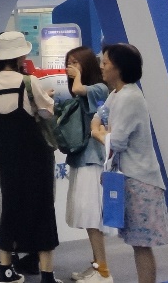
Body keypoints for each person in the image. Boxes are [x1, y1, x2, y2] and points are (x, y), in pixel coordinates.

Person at [91, 44, 168, 283]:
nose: (102, 67)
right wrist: (101, 131)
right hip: (128, 178)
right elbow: (98, 118)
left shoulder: (129, 97)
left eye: (105, 62)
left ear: (119, 67)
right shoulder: (117, 94)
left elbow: (116, 141)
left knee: (142, 244)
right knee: (137, 243)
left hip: (140, 180)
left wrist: (99, 133)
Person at [0, 31, 60, 283]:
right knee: (42, 209)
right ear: (20, 55)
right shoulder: (29, 82)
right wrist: (48, 98)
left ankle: (6, 269)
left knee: (10, 207)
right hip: (34, 155)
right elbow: (47, 112)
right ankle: (47, 274)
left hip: (6, 155)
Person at [58, 47, 111, 283]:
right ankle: (98, 265)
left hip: (93, 160)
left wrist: (77, 76)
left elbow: (80, 89)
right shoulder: (84, 92)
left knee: (92, 217)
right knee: (89, 218)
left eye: (75, 63)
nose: (70, 67)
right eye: (68, 63)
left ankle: (103, 271)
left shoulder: (99, 88)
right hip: (82, 158)